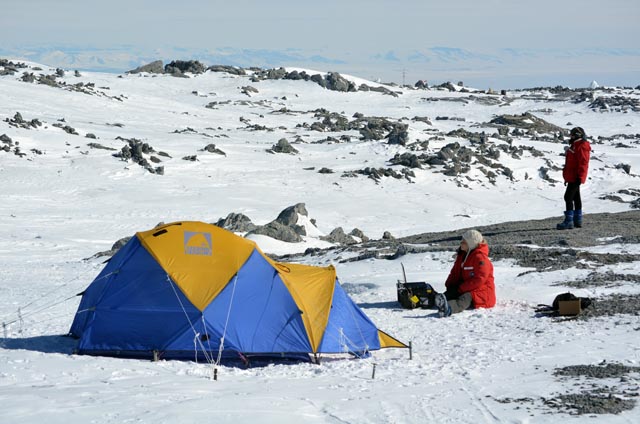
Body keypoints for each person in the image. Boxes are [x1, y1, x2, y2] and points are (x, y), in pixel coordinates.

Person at [434, 229, 496, 317]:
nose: (461, 243)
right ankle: (433, 301)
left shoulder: (480, 258)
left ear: (471, 244)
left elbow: (479, 279)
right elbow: (455, 273)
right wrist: (450, 286)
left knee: (465, 298)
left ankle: (448, 308)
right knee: (449, 294)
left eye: (464, 241)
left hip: (482, 292)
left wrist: (460, 289)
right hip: (467, 287)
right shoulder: (462, 256)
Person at [557, 127, 591, 230]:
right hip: (573, 176)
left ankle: (569, 221)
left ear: (576, 135)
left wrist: (580, 177)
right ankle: (577, 220)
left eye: (571, 135)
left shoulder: (581, 146)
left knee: (568, 197)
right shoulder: (576, 145)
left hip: (575, 176)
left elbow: (583, 162)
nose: (570, 137)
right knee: (576, 197)